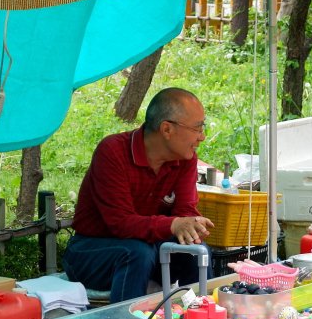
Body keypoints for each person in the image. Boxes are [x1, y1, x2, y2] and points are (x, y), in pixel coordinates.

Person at [63, 87, 214, 302]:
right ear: (166, 129)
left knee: (196, 250)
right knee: (136, 252)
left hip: (150, 247)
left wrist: (191, 228)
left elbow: (184, 212)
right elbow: (121, 223)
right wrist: (173, 225)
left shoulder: (185, 158)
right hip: (92, 251)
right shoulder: (112, 152)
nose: (202, 137)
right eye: (198, 128)